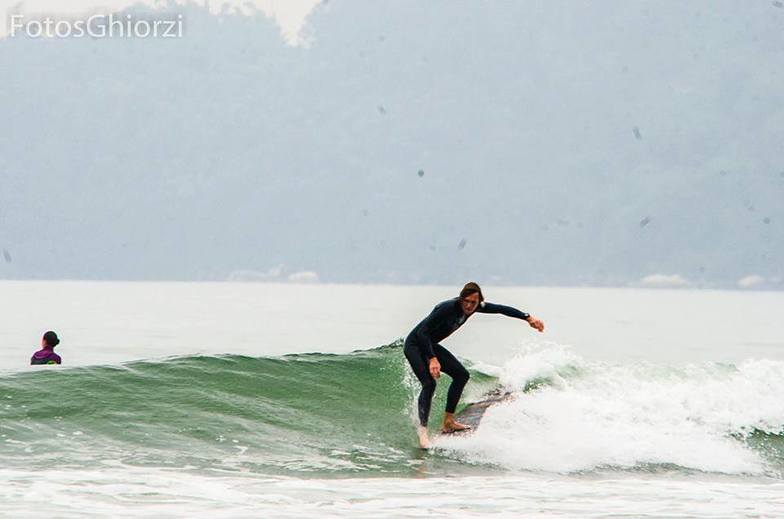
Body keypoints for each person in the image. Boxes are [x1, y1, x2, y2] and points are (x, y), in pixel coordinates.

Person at [404, 282, 544, 448]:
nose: (469, 306)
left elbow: (500, 308)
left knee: (461, 375)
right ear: (461, 299)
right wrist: (432, 358)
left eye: (473, 303)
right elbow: (422, 332)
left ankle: (448, 421)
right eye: (466, 301)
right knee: (429, 383)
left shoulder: (475, 307)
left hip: (430, 345)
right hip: (415, 345)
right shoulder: (447, 308)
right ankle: (423, 432)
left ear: (479, 302)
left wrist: (528, 318)